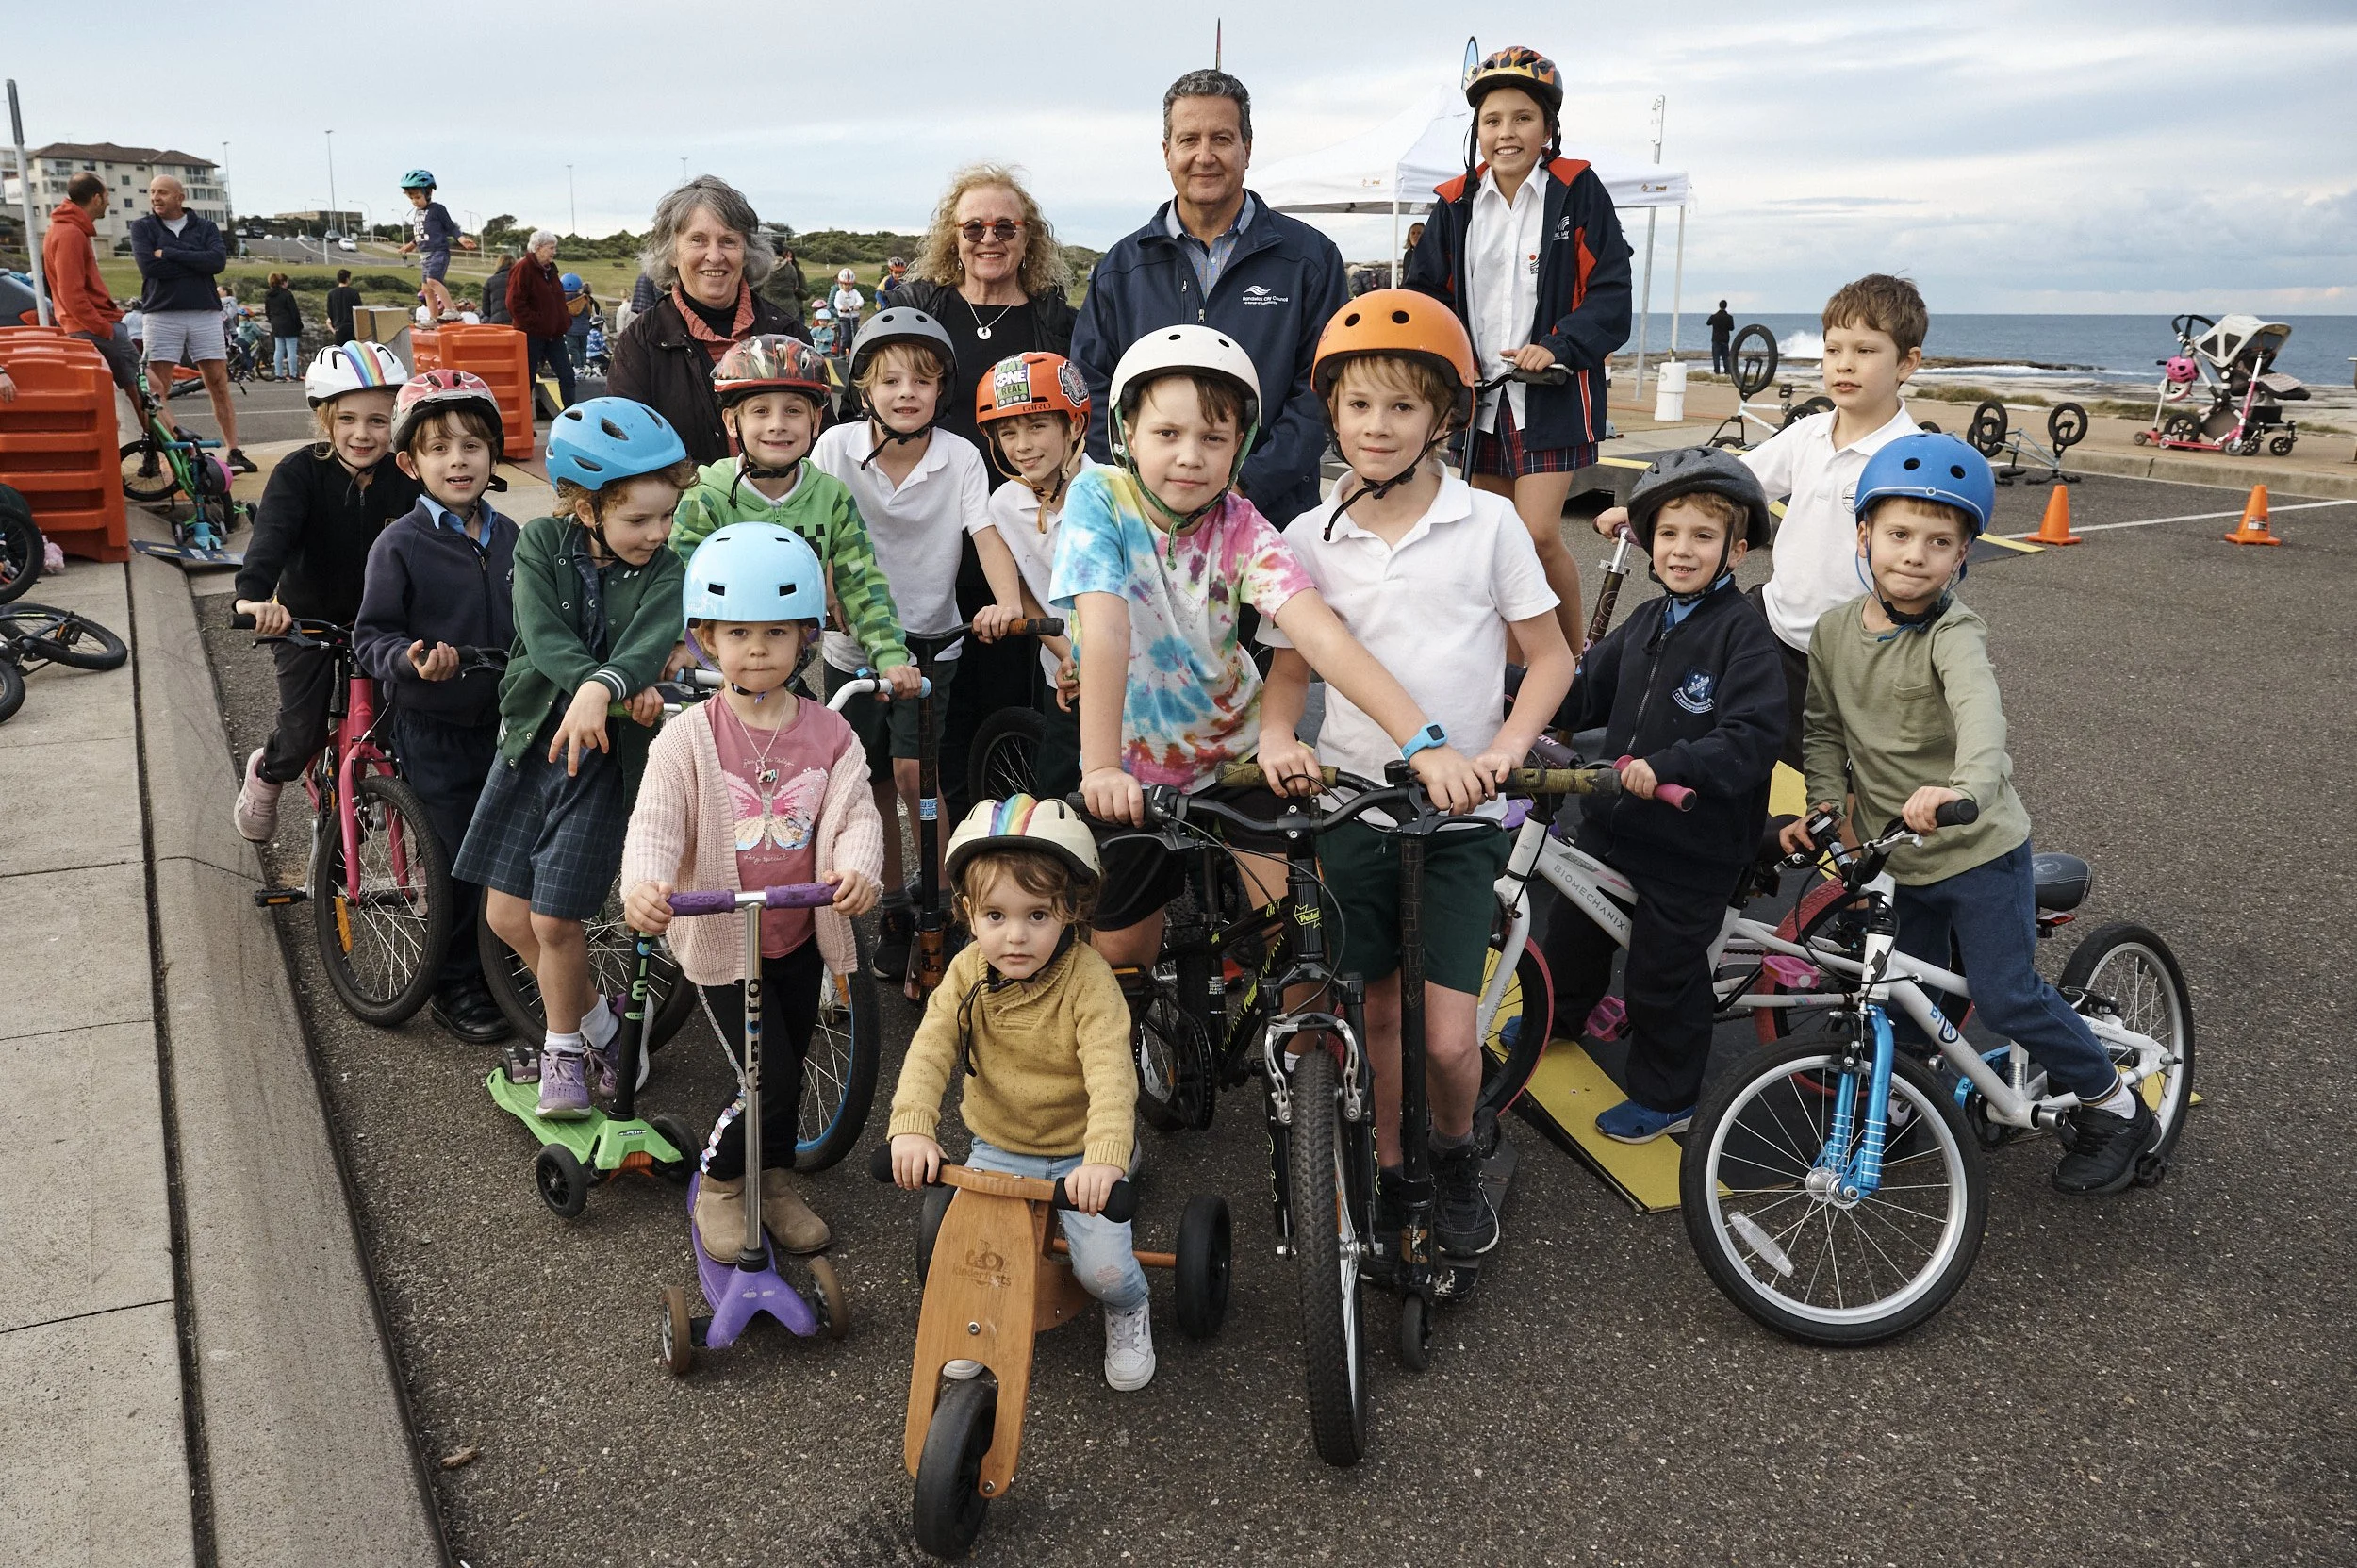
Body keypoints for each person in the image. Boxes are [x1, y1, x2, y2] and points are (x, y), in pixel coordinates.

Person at [1256, 292, 1574, 1254]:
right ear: (1332, 415)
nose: (1378, 427)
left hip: (1458, 816)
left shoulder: (1488, 526)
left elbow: (1550, 657)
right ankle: (1391, 1172)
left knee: (1445, 1035)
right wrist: (1278, 736)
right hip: (1353, 802)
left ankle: (1454, 1152)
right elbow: (1288, 670)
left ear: (1444, 417)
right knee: (1376, 1015)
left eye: (1401, 408)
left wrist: (1502, 755)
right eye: (1358, 407)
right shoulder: (1312, 534)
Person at [1051, 325, 1491, 988]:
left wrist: (1423, 742)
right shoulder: (1099, 499)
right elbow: (1106, 627)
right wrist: (1103, 765)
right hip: (1131, 768)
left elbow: (1324, 638)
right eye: (1167, 435)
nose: (1190, 456)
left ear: (1241, 446)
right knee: (1123, 965)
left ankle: (1297, 1074)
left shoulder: (1245, 528)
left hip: (1237, 756)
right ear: (1127, 436)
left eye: (1214, 438)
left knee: (1294, 939)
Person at [1780, 433, 2159, 1194]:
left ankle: (2117, 1106)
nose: (1915, 554)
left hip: (1976, 845)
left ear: (1963, 556)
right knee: (1899, 995)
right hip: (1898, 855)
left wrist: (1965, 790)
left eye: (1939, 541)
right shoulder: (1832, 633)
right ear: (1864, 535)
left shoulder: (1956, 633)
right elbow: (1821, 729)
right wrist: (1824, 803)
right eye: (1898, 534)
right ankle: (1900, 1101)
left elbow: (1981, 719)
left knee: (2007, 992)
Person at [622, 524, 885, 1260]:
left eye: (777, 630)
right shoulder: (687, 738)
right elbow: (657, 822)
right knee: (764, 1073)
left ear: (807, 635)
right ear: (705, 638)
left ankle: (772, 1176)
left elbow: (855, 813)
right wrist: (646, 883)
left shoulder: (832, 734)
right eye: (738, 631)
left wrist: (859, 865)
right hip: (721, 940)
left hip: (798, 931)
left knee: (791, 1062)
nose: (759, 648)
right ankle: (721, 1181)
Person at [451, 398, 695, 1117]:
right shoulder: (538, 547)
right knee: (505, 916)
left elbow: (651, 640)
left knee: (557, 921)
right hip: (532, 743)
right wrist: (595, 684)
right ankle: (601, 1023)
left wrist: (615, 686)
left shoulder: (666, 567)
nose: (657, 533)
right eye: (638, 519)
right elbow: (542, 632)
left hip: (603, 763)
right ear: (587, 510)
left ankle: (563, 1052)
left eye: (665, 515)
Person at [1541, 447, 1785, 1141]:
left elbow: (1750, 737)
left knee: (1662, 972)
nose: (1683, 551)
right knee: (1574, 931)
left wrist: (1668, 763)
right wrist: (1511, 690)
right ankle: (1561, 1014)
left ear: (1736, 549)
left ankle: (1669, 1094)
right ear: (1648, 541)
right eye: (1670, 534)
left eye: (1704, 537)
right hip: (1620, 822)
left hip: (1694, 841)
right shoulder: (1647, 622)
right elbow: (1583, 695)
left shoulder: (1745, 636)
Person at [1595, 274, 1930, 769]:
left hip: (1853, 655)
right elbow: (1732, 478)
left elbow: (1926, 563)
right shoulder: (1809, 434)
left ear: (1907, 363)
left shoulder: (1909, 458)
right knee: (1723, 729)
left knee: (1838, 776)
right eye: (1833, 349)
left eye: (1865, 351)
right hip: (1774, 627)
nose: (1844, 364)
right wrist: (1643, 506)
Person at [886, 796, 1152, 1390]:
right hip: (999, 1147)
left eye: (1037, 916)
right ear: (969, 914)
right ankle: (979, 1323)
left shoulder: (1088, 979)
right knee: (973, 1260)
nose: (1015, 937)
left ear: (1071, 912)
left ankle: (1131, 1307)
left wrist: (1105, 1159)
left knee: (1104, 1270)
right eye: (996, 916)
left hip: (1079, 1151)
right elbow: (932, 1049)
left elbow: (1112, 1076)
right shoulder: (966, 973)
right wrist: (911, 1125)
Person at [1407, 44, 1634, 649]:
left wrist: (1559, 346)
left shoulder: (1578, 189)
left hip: (1551, 394)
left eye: (1522, 118)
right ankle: (1513, 676)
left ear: (1548, 126)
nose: (1506, 133)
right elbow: (1423, 293)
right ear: (1477, 129)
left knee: (1534, 535)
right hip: (1478, 395)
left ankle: (1570, 662)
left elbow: (1611, 297)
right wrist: (1439, 368)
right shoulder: (1454, 201)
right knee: (1493, 544)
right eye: (1492, 120)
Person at [1070, 69, 1349, 532]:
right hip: (1150, 524)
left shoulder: (1309, 260)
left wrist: (1247, 485)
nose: (1204, 156)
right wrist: (1150, 485)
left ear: (1247, 149)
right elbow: (1093, 390)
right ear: (1166, 153)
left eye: (1221, 138)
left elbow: (1322, 388)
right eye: (1188, 140)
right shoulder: (1121, 268)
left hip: (1273, 520)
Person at [890, 163, 1082, 818]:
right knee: (938, 721)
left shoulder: (1055, 323)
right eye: (974, 226)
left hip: (1018, 549)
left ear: (1029, 238)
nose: (989, 238)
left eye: (1006, 225)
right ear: (954, 234)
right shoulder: (923, 310)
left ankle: (1013, 836)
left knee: (1011, 708)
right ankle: (952, 857)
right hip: (934, 544)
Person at [809, 308, 987, 991]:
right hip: (854, 643)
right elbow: (820, 525)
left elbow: (987, 534)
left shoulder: (960, 456)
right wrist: (826, 587)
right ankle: (891, 904)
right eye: (889, 379)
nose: (906, 391)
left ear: (942, 389)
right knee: (870, 781)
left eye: (922, 378)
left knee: (920, 779)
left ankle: (936, 902)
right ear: (864, 389)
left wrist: (1003, 604)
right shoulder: (836, 447)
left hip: (931, 639)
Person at [350, 370, 523, 1044]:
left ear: (493, 455)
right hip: (435, 728)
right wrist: (413, 658)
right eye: (440, 447)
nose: (459, 459)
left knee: (515, 851)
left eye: (474, 445)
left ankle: (502, 964)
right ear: (409, 462)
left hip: (509, 723)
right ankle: (456, 984)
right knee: (456, 860)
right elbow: (372, 637)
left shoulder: (512, 536)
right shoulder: (400, 544)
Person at [230, 343, 422, 844]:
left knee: (403, 733)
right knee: (302, 733)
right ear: (326, 420)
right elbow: (270, 540)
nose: (363, 434)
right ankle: (269, 772)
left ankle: (418, 851)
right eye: (349, 420)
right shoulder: (300, 473)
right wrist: (252, 599)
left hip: (385, 625)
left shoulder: (408, 478)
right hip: (306, 622)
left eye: (379, 421)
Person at [668, 335, 917, 703]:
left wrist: (890, 655)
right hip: (716, 671)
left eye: (793, 411)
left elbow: (861, 581)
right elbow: (677, 578)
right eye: (760, 411)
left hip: (789, 667)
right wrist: (681, 641)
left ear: (816, 419)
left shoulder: (830, 496)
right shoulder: (707, 494)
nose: (777, 424)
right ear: (731, 421)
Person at [609, 176, 810, 466]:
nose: (714, 256)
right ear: (671, 253)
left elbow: (819, 440)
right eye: (697, 240)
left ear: (746, 252)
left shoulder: (787, 334)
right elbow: (627, 449)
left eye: (728, 241)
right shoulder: (641, 342)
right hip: (682, 509)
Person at [970, 351, 1091, 798]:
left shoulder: (1112, 490)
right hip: (1063, 671)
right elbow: (1022, 591)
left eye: (1037, 425)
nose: (1022, 445)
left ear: (1073, 425)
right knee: (1060, 791)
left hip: (1136, 670)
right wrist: (1067, 655)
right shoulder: (1003, 504)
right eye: (1008, 432)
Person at [129, 175, 252, 472]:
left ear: (180, 197)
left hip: (204, 313)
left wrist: (170, 253)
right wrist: (195, 262)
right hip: (161, 314)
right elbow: (149, 267)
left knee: (218, 383)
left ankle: (233, 449)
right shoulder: (143, 228)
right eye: (152, 192)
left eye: (162, 192)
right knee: (158, 389)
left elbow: (216, 263)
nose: (155, 197)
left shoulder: (206, 227)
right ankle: (156, 452)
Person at [41, 172, 140, 408]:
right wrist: (104, 329)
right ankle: (164, 444)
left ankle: (164, 441)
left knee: (134, 395)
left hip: (85, 326)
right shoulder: (70, 233)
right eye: (106, 196)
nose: (108, 202)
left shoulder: (65, 229)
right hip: (94, 328)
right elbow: (71, 294)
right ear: (96, 198)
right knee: (143, 393)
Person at [506, 231, 576, 411]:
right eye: (551, 248)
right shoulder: (523, 269)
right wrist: (536, 323)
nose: (554, 252)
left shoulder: (551, 271)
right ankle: (524, 422)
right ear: (538, 248)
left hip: (554, 334)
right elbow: (514, 302)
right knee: (526, 379)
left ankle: (571, 417)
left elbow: (556, 300)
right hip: (531, 335)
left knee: (567, 376)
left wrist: (564, 320)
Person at [397, 170, 475, 322]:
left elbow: (451, 227)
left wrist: (461, 239)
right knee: (426, 289)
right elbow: (421, 233)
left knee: (433, 281)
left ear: (428, 193)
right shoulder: (418, 213)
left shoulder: (437, 209)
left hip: (438, 252)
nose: (415, 201)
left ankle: (451, 310)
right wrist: (411, 245)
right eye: (411, 198)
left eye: (418, 197)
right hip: (424, 255)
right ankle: (433, 319)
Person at [262, 272, 304, 382]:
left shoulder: (269, 295)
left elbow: (267, 311)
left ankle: (279, 374)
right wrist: (299, 325)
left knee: (279, 350)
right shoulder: (287, 294)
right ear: (283, 282)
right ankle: (293, 374)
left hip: (276, 323)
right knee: (291, 350)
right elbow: (294, 311)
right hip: (289, 323)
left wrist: (272, 320)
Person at [565, 273, 598, 370]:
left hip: (571, 329)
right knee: (583, 349)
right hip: (584, 329)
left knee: (573, 349)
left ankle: (578, 367)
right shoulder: (585, 299)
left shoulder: (564, 300)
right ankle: (583, 367)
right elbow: (588, 314)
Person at [326, 268, 363, 341]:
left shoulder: (331, 293)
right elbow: (359, 311)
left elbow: (330, 311)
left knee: (340, 351)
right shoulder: (354, 293)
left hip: (338, 328)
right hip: (352, 328)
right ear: (347, 279)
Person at [477, 256, 513, 326]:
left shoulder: (490, 281)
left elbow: (485, 309)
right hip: (515, 320)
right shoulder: (520, 278)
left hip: (497, 321)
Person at [828, 267, 864, 336]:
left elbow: (860, 300)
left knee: (854, 335)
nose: (847, 286)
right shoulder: (836, 291)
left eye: (849, 284)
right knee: (844, 337)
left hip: (853, 318)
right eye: (845, 284)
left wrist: (857, 305)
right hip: (841, 320)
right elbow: (830, 307)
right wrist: (841, 311)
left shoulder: (854, 292)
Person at [1707, 299, 1736, 376]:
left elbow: (1708, 323)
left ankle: (1717, 372)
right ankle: (1727, 371)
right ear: (1726, 306)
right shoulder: (1729, 317)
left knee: (1716, 357)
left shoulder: (1714, 316)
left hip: (1716, 339)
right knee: (1726, 357)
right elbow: (1732, 328)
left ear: (1719, 306)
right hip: (1725, 339)